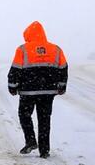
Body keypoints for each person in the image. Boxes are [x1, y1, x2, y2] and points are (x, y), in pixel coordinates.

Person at [7, 21, 68, 159]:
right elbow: (63, 68)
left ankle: (30, 141)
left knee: (24, 115)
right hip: (48, 92)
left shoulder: (22, 49)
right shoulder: (56, 49)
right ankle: (44, 151)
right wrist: (61, 86)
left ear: (28, 34)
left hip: (28, 91)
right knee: (45, 120)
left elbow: (15, 70)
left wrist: (12, 87)